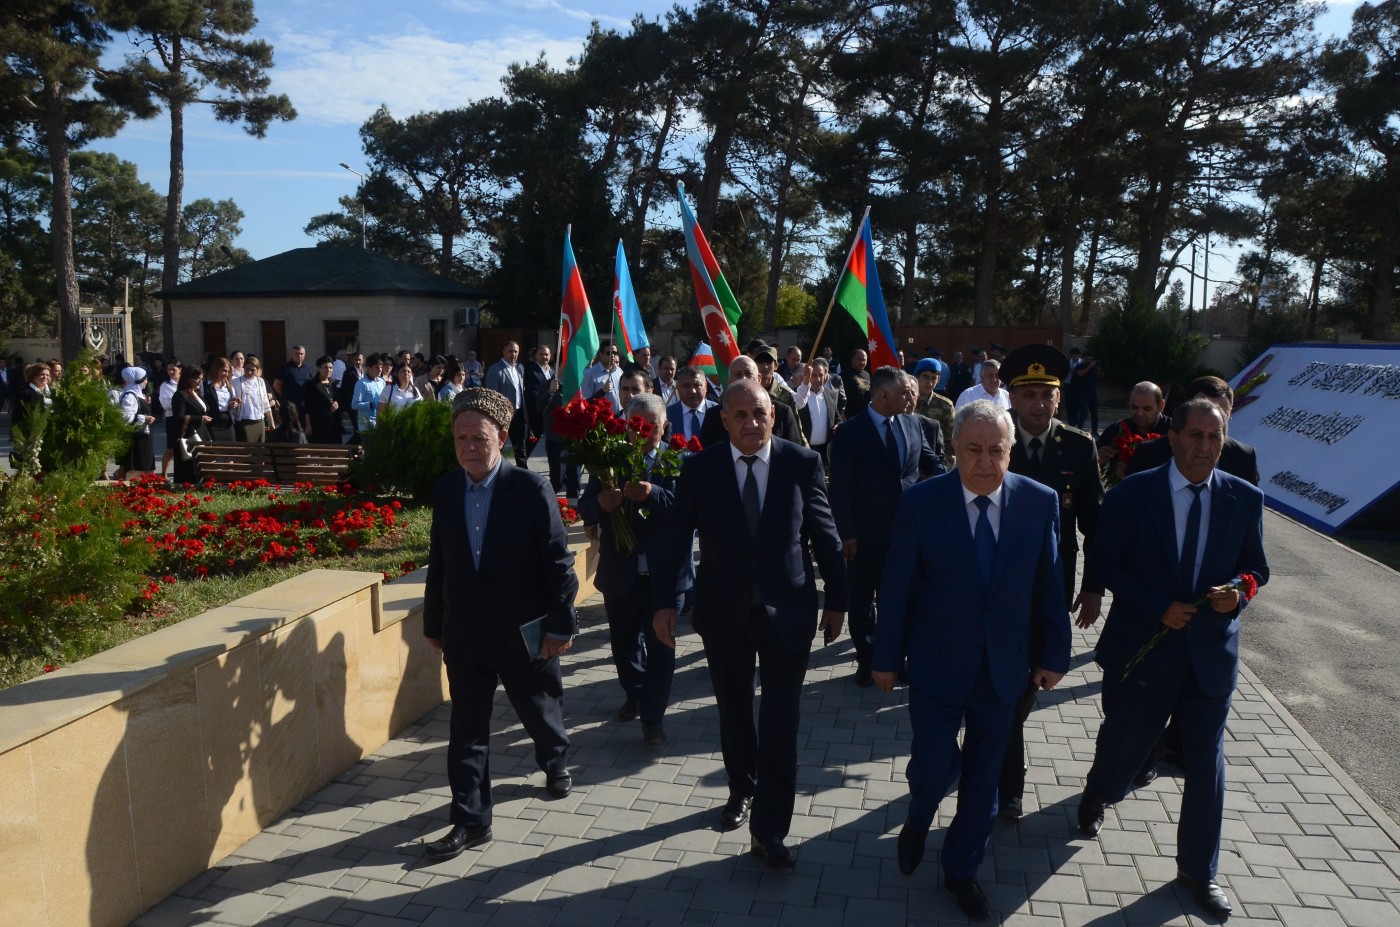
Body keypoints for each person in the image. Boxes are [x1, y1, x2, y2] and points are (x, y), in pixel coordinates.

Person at [872, 400, 1071, 920]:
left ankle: (961, 871)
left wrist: (1054, 653)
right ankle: (919, 818)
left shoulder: (1039, 502)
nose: (985, 462)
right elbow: (895, 588)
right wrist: (886, 657)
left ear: (1010, 453)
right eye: (973, 450)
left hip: (1006, 669)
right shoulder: (921, 503)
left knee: (984, 780)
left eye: (997, 451)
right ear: (954, 449)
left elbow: (1052, 585)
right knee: (934, 769)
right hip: (937, 665)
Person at [1078, 398, 1268, 921]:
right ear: (1174, 437)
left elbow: (1256, 569)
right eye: (1197, 436)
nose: (1207, 447)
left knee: (1207, 764)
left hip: (1210, 657)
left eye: (1216, 438)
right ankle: (1098, 794)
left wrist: (1238, 590)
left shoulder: (1243, 498)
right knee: (1126, 745)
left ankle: (1197, 871)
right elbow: (1104, 561)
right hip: (1145, 651)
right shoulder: (1135, 494)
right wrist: (1156, 606)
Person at [651, 379, 848, 872]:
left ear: (773, 414)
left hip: (790, 614)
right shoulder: (700, 469)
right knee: (735, 714)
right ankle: (741, 788)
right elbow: (675, 540)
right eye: (740, 415)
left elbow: (825, 534)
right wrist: (664, 603)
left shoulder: (802, 463)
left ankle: (771, 829)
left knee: (781, 722)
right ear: (724, 420)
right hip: (724, 616)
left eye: (760, 413)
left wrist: (838, 601)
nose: (751, 423)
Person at [421, 388, 580, 862]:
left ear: (503, 438)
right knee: (467, 730)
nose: (469, 447)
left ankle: (554, 759)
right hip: (466, 634)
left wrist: (560, 625)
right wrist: (434, 622)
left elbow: (559, 563)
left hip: (522, 633)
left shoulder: (530, 489)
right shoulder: (447, 490)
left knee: (539, 710)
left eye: (479, 438)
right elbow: (440, 563)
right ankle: (471, 820)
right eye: (460, 437)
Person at [998, 345, 1104, 820]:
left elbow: (1094, 523)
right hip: (998, 588)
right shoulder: (996, 442)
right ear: (1013, 400)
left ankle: (995, 769)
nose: (1038, 404)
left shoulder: (1078, 448)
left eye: (1047, 394)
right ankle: (1009, 788)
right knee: (1009, 691)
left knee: (1023, 690)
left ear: (1059, 400)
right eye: (1029, 395)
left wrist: (1095, 585)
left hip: (1052, 591)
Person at [578, 393, 689, 744]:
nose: (642, 436)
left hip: (663, 577)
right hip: (621, 574)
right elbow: (584, 506)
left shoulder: (679, 460)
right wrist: (600, 503)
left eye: (651, 428)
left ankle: (653, 718)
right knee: (624, 643)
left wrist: (653, 493)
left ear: (664, 427)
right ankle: (634, 693)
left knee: (661, 647)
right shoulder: (609, 459)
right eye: (634, 428)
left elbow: (688, 511)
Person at [829, 366, 942, 687]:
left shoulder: (913, 423)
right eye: (906, 392)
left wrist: (942, 480)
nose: (913, 397)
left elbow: (931, 461)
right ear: (883, 395)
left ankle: (897, 659)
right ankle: (867, 660)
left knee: (903, 599)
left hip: (907, 532)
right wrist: (846, 533)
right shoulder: (850, 432)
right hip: (864, 536)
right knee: (863, 603)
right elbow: (839, 487)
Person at [1125, 376, 1259, 485]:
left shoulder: (1244, 457)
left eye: (1221, 414)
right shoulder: (1150, 453)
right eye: (1202, 411)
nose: (1211, 421)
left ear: (1231, 411)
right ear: (1185, 408)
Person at [699, 357, 804, 448]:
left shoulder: (782, 412)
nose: (744, 378)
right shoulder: (714, 416)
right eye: (738, 375)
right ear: (729, 381)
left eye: (748, 374)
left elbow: (794, 453)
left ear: (759, 378)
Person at [1097, 381, 1171, 478]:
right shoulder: (1118, 429)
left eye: (1147, 409)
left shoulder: (1174, 432)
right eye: (1134, 407)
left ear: (1161, 406)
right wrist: (1098, 461)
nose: (1139, 413)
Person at [485, 341, 529, 466]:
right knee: (499, 445)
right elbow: (492, 395)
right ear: (503, 352)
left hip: (519, 414)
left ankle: (522, 472)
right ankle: (496, 469)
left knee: (520, 447)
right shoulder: (495, 370)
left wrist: (525, 412)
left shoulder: (519, 369)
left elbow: (521, 392)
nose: (513, 354)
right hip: (502, 416)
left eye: (516, 351)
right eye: (510, 351)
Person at [792, 357, 843, 463]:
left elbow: (837, 416)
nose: (818, 379)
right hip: (804, 449)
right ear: (807, 375)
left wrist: (838, 425)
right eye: (814, 375)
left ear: (826, 375)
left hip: (825, 451)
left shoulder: (831, 394)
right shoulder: (798, 395)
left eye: (821, 375)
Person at [169, 366, 213, 486]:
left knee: (201, 468)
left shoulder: (196, 393)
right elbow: (178, 417)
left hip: (201, 433)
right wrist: (199, 418)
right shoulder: (180, 395)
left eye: (201, 378)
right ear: (188, 379)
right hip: (189, 437)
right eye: (197, 378)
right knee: (189, 470)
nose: (200, 381)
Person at [114, 367, 156, 479]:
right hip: (137, 441)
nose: (147, 381)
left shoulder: (137, 395)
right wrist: (144, 419)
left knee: (145, 469)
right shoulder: (130, 396)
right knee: (137, 472)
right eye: (145, 379)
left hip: (144, 439)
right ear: (139, 380)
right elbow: (126, 417)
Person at [913, 358, 955, 468]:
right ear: (917, 376)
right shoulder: (906, 401)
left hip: (934, 464)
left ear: (939, 379)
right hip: (909, 464)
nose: (930, 382)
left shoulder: (945, 405)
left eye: (934, 378)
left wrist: (944, 467)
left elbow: (950, 441)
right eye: (925, 377)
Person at [666, 366, 717, 446]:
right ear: (677, 388)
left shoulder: (718, 411)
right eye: (686, 386)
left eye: (697, 385)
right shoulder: (668, 414)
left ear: (706, 386)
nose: (693, 391)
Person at [233, 356, 274, 443]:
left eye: (253, 370)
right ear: (244, 367)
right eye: (247, 369)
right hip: (244, 422)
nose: (249, 372)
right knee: (247, 450)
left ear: (257, 370)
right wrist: (234, 403)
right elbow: (231, 401)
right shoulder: (236, 382)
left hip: (259, 421)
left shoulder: (260, 382)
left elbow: (265, 403)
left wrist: (271, 421)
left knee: (260, 450)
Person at [304, 356, 342, 444]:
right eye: (325, 367)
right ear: (319, 368)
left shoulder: (332, 383)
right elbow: (308, 406)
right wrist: (308, 425)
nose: (328, 370)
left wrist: (336, 403)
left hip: (334, 423)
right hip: (319, 423)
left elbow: (337, 398)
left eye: (331, 368)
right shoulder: (312, 384)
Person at [523, 345, 554, 454]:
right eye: (541, 354)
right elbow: (531, 392)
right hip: (536, 411)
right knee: (533, 438)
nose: (544, 357)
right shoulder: (530, 371)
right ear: (536, 355)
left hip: (551, 412)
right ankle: (523, 460)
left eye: (546, 354)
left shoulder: (553, 372)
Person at [202, 357, 240, 442]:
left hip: (227, 424)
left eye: (228, 372)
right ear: (216, 369)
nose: (226, 374)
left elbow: (232, 399)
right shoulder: (205, 385)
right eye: (224, 371)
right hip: (212, 424)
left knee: (231, 450)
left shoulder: (228, 385)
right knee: (216, 451)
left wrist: (233, 403)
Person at [351, 354, 387, 432]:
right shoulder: (362, 383)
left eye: (381, 367)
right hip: (367, 425)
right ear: (368, 367)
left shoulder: (382, 382)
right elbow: (354, 404)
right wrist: (370, 405)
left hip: (381, 423)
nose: (380, 370)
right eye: (376, 367)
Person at [272, 345, 312, 411]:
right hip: (290, 406)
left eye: (301, 354)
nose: (299, 356)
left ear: (304, 354)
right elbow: (276, 385)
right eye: (297, 354)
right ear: (292, 355)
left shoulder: (307, 368)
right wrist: (286, 395)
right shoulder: (285, 368)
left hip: (304, 405)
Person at [842, 348, 872, 418]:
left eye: (864, 360)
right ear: (852, 359)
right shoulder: (844, 375)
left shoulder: (867, 374)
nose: (862, 362)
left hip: (866, 416)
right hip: (851, 417)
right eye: (859, 359)